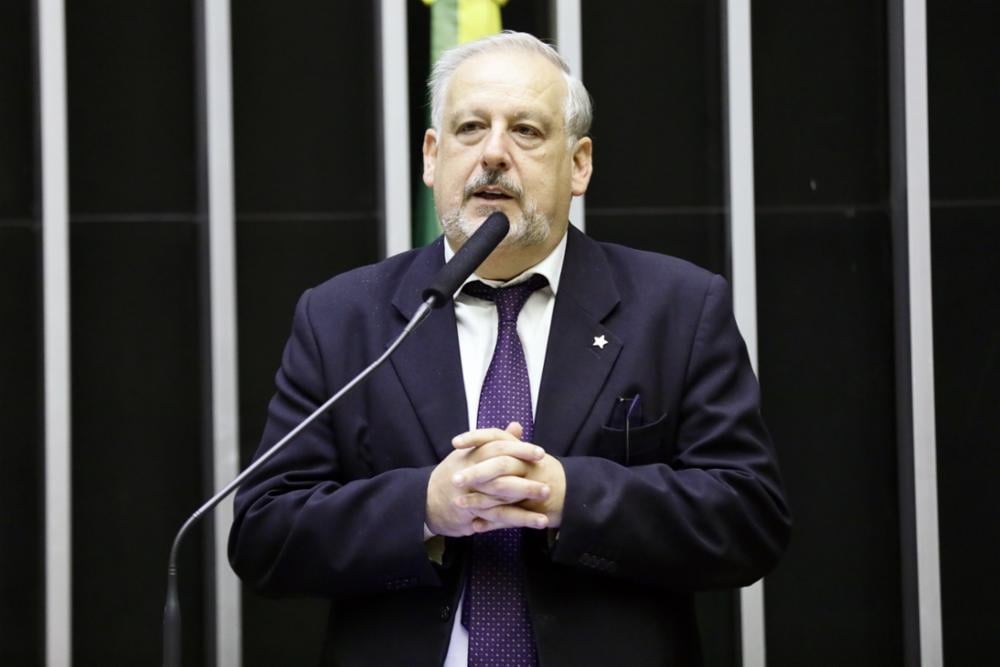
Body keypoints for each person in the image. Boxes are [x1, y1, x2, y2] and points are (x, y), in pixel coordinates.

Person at [229, 31, 790, 666]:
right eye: (470, 129)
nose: (493, 153)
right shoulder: (340, 317)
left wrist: (568, 495)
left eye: (525, 131)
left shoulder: (679, 308)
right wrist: (425, 507)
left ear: (578, 165)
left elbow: (751, 520)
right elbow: (263, 536)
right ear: (432, 157)